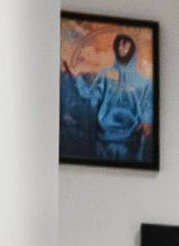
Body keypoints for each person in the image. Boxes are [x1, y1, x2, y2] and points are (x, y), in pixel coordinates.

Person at [64, 33, 154, 163]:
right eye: (119, 45)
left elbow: (148, 107)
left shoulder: (144, 81)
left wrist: (147, 121)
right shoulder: (105, 75)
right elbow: (89, 95)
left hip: (131, 141)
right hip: (105, 139)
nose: (122, 48)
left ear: (133, 50)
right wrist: (77, 77)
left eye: (126, 45)